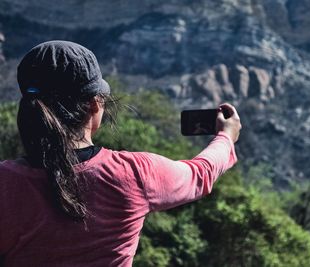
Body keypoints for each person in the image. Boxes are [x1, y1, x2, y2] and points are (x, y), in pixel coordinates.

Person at [0, 40, 241, 266]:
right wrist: (226, 137)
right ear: (95, 104)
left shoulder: (5, 182)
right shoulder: (134, 174)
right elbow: (200, 173)